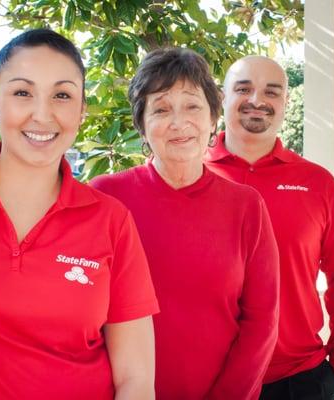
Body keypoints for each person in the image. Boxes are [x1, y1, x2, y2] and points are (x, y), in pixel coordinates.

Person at [0, 29, 159, 400]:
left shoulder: (111, 220)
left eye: (61, 95)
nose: (42, 115)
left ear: (81, 109)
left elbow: (135, 380)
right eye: (22, 93)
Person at [91, 48, 280, 400]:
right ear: (142, 125)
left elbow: (262, 323)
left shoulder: (246, 206)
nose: (178, 123)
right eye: (161, 109)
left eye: (192, 106)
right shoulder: (105, 198)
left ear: (212, 118)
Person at [205, 55, 334, 400]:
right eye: (243, 89)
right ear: (222, 98)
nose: (257, 101)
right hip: (207, 379)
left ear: (286, 102)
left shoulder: (317, 184)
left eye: (272, 92)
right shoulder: (190, 176)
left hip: (298, 381)